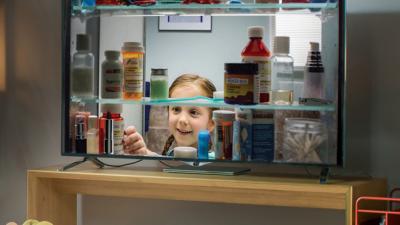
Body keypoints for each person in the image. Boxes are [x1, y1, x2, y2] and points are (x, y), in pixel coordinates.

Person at [123, 74, 216, 156]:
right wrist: (144, 152)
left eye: (193, 112)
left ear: (211, 123)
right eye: (176, 109)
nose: (182, 120)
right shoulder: (171, 155)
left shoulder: (215, 164)